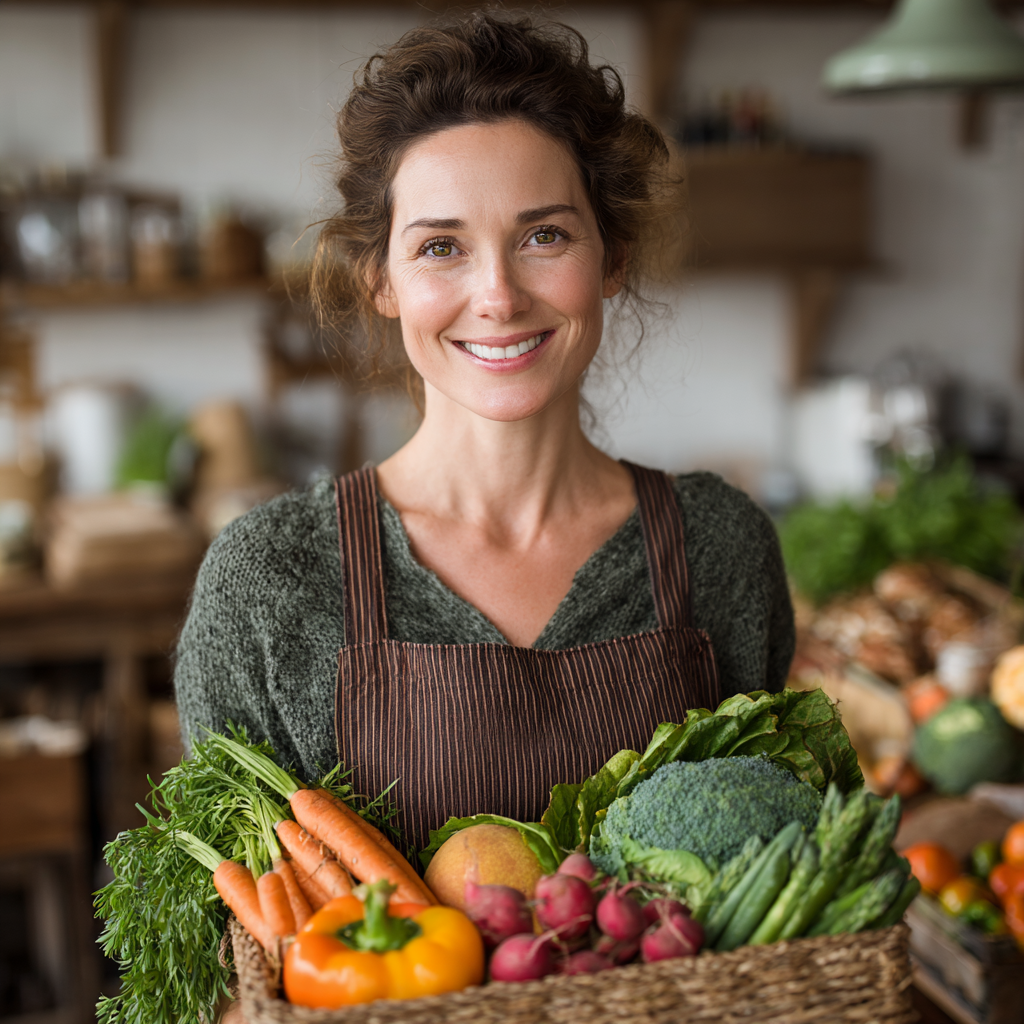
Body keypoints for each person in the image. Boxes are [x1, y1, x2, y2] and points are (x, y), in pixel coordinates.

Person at [175, 11, 794, 860]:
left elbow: (782, 882)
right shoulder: (270, 580)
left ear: (610, 258)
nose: (498, 296)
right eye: (440, 247)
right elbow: (230, 951)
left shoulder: (720, 546)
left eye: (544, 235)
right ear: (381, 281)